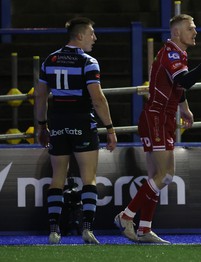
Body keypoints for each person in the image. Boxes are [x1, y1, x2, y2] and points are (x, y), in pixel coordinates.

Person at [113, 14, 201, 244]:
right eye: (191, 29)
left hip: (157, 117)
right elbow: (184, 81)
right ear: (176, 32)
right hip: (157, 119)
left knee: (156, 176)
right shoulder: (172, 53)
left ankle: (144, 229)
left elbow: (177, 85)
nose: (195, 32)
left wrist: (184, 108)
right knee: (166, 175)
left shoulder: (176, 52)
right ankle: (126, 216)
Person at [35, 17, 118, 245]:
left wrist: (42, 125)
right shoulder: (88, 61)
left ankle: (53, 231)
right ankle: (88, 230)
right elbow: (98, 99)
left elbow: (40, 96)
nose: (95, 37)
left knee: (57, 178)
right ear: (79, 36)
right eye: (92, 33)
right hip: (82, 123)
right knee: (88, 177)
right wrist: (110, 128)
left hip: (58, 123)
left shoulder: (49, 60)